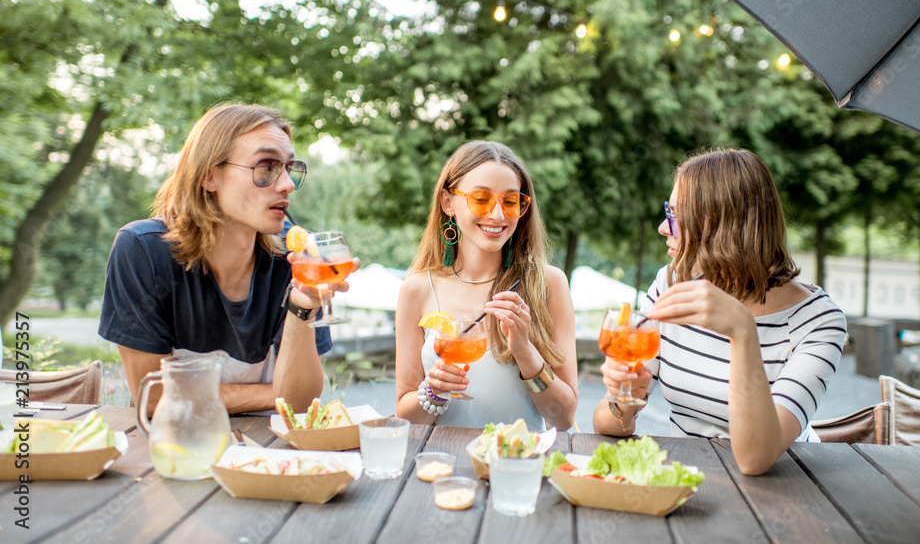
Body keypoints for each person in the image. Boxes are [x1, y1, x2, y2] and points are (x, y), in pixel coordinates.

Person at [593, 148, 846, 475]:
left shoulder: (817, 321)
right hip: (689, 479)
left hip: (785, 493)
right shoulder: (672, 283)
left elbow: (756, 459)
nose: (662, 227)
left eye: (675, 215)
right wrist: (621, 401)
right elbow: (608, 425)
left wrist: (742, 331)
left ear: (724, 227)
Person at [99, 104, 353, 414]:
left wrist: (303, 303)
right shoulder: (143, 251)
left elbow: (300, 404)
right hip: (177, 448)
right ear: (209, 176)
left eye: (288, 168)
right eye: (267, 166)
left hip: (271, 451)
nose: (286, 184)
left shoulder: (297, 259)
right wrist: (275, 394)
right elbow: (154, 398)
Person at [395, 141, 578, 431]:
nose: (497, 215)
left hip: (518, 464)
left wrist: (524, 350)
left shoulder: (549, 284)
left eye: (510, 201)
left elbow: (564, 418)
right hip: (441, 468)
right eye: (481, 198)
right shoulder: (417, 289)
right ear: (447, 203)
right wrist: (433, 391)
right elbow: (405, 420)